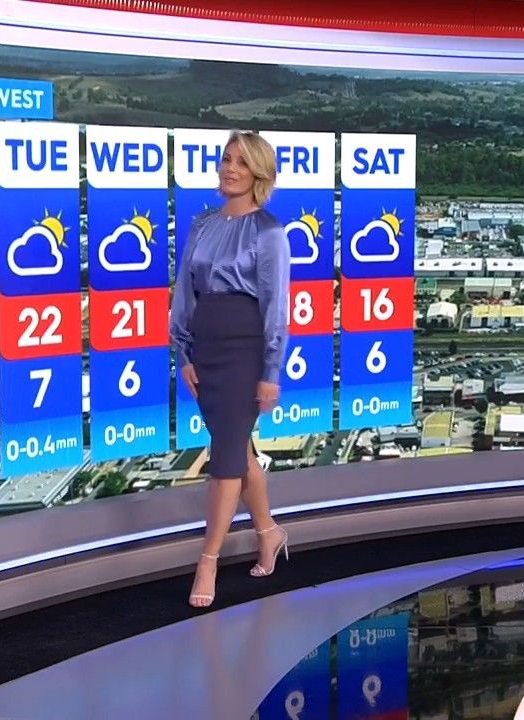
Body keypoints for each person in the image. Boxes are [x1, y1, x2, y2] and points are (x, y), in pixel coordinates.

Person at [170, 130, 291, 609]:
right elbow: (185, 291)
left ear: (259, 173)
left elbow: (276, 305)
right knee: (237, 450)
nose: (229, 169)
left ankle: (208, 560)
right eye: (226, 159)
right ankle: (270, 532)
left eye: (241, 162)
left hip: (245, 351)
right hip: (205, 347)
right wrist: (183, 353)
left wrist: (271, 371)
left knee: (224, 460)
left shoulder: (269, 232)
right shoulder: (201, 223)